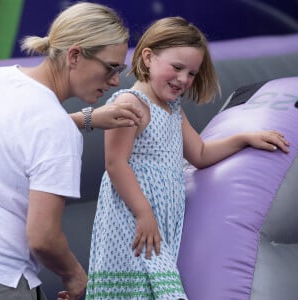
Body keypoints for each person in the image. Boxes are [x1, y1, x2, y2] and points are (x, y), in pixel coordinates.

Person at [86, 16, 290, 300]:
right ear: (148, 58)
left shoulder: (172, 109)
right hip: (131, 221)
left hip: (159, 222)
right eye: (177, 67)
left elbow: (201, 154)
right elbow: (116, 163)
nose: (183, 79)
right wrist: (144, 213)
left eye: (191, 73)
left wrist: (244, 138)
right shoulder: (130, 104)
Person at [0, 2, 143, 300]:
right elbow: (43, 237)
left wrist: (84, 118)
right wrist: (74, 275)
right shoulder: (54, 129)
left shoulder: (4, 80)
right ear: (74, 55)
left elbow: (18, 134)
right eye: (111, 68)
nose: (115, 81)